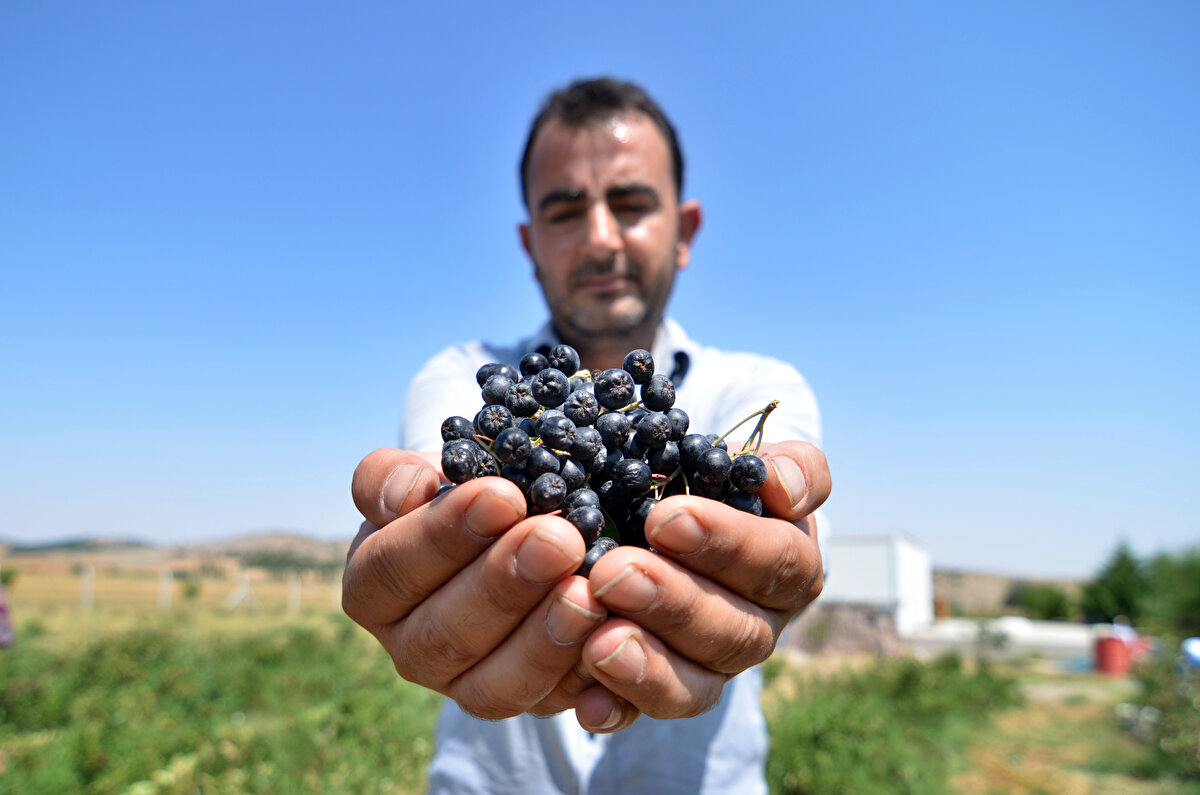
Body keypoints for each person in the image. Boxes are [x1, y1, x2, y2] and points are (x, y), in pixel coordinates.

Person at [343, 77, 832, 794]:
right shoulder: (467, 380)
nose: (601, 238)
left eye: (631, 204)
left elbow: (785, 529)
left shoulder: (754, 386)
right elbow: (437, 483)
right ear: (529, 243)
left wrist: (783, 561)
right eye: (566, 211)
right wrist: (420, 537)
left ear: (686, 230)